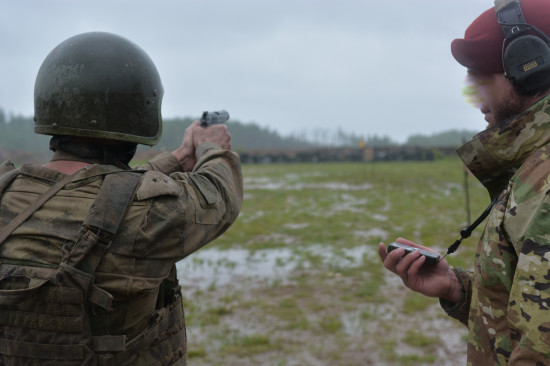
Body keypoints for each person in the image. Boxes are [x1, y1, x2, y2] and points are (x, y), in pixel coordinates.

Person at [0, 32, 243, 365]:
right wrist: (210, 147)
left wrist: (177, 157)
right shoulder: (145, 216)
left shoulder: (6, 188)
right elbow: (218, 196)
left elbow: (103, 190)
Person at [378, 0, 550, 364]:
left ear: (531, 68)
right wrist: (458, 290)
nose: (474, 94)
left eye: (481, 75)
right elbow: (528, 325)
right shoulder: (533, 168)